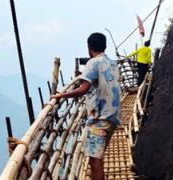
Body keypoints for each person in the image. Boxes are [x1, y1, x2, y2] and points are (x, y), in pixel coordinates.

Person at [51, 32, 121, 180]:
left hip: (99, 119)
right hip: (113, 116)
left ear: (89, 47)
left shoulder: (93, 63)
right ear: (105, 45)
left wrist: (59, 96)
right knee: (98, 158)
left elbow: (83, 89)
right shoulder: (113, 63)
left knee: (95, 162)